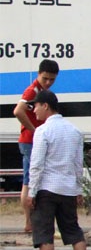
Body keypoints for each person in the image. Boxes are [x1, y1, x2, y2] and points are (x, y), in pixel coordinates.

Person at [24, 89, 91, 250]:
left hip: (47, 189)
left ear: (45, 106)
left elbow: (36, 165)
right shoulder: (74, 131)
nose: (34, 111)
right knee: (72, 229)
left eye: (35, 106)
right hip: (68, 189)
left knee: (44, 231)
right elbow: (79, 164)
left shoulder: (43, 131)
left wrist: (32, 192)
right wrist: (79, 189)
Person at [12, 59, 60, 232]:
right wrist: (34, 130)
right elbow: (17, 111)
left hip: (31, 140)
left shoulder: (40, 91)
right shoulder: (32, 91)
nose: (48, 83)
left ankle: (30, 222)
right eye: (45, 78)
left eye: (52, 80)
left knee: (31, 180)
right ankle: (29, 222)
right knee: (30, 181)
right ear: (39, 74)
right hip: (29, 141)